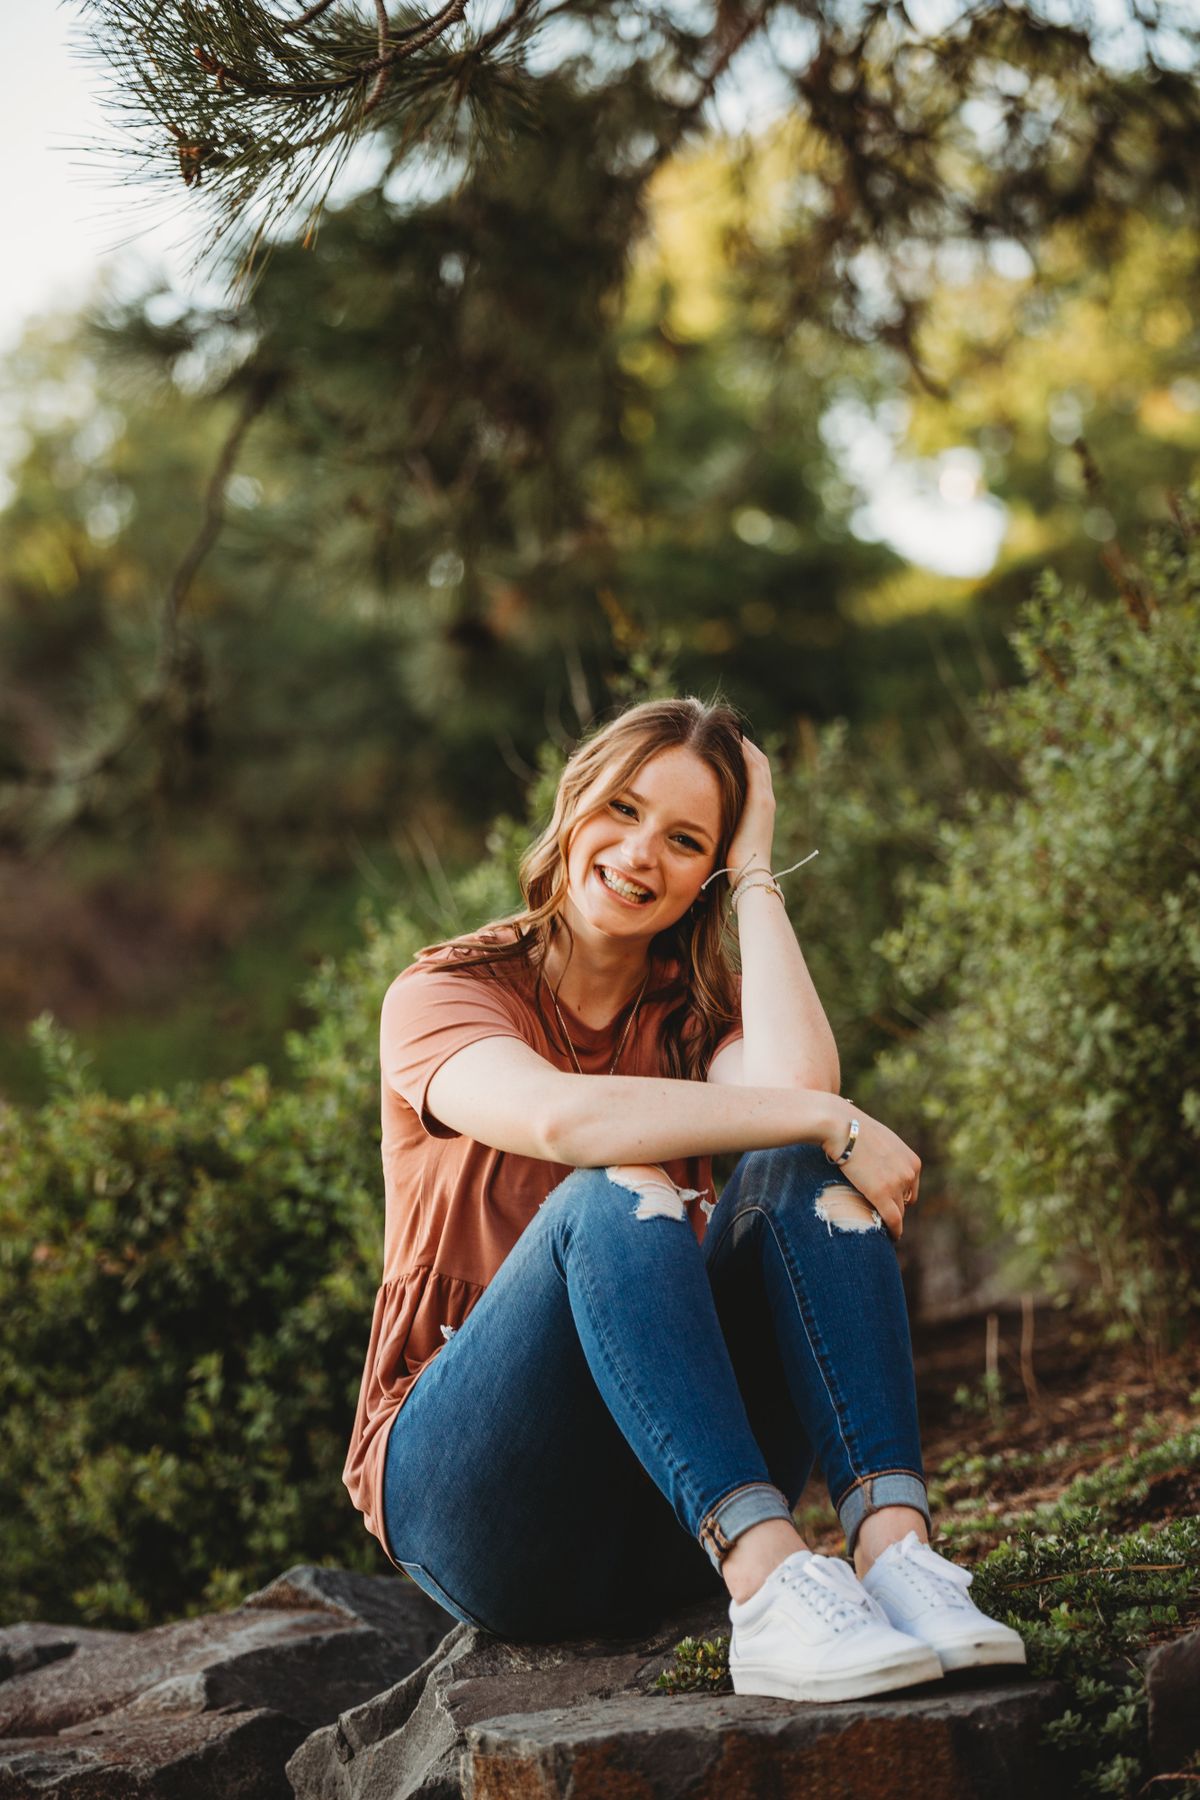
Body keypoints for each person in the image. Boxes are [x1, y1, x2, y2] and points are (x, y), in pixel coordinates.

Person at [343, 695, 1026, 1702]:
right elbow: (563, 1122)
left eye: (685, 839)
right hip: (478, 1502)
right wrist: (829, 1119)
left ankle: (895, 1556)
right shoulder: (446, 993)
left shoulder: (691, 1021)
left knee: (798, 1168)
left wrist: (757, 875)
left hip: (672, 1504)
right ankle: (766, 1591)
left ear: (704, 871)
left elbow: (802, 1094)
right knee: (610, 1192)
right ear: (573, 806)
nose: (637, 852)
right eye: (620, 809)